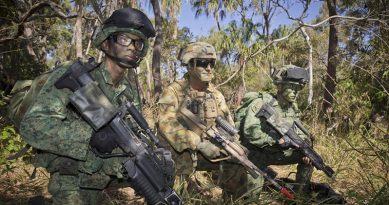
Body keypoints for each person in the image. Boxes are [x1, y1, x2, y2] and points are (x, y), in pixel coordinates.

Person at [20, 8, 157, 205]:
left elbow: (127, 142)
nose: (133, 47)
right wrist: (89, 137)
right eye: (125, 39)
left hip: (100, 182)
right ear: (105, 42)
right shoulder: (78, 75)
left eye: (139, 43)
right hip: (69, 182)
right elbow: (33, 125)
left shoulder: (130, 93)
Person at [158, 42, 247, 200]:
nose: (209, 68)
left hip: (209, 151)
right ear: (190, 65)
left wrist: (232, 144)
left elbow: (228, 124)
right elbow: (167, 125)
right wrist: (198, 142)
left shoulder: (216, 95)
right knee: (177, 192)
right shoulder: (173, 91)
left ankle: (233, 200)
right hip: (180, 155)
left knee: (237, 163)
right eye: (203, 63)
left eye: (211, 63)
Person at [237, 65, 314, 198]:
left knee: (309, 159)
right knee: (251, 197)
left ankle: (299, 197)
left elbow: (299, 131)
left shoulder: (292, 109)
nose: (295, 91)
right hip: (256, 153)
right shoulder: (262, 103)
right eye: (291, 86)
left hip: (277, 151)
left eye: (298, 87)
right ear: (280, 86)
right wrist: (275, 141)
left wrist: (305, 148)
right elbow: (250, 131)